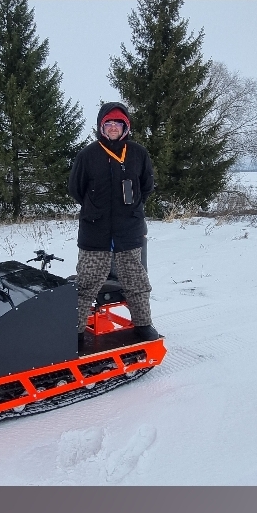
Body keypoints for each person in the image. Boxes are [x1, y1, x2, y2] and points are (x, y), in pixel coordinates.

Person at [68, 102, 159, 341]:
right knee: (86, 284)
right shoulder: (88, 155)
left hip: (128, 231)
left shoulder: (138, 153)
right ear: (101, 126)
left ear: (125, 126)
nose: (113, 127)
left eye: (118, 123)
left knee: (136, 281)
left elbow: (147, 186)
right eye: (108, 123)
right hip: (94, 231)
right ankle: (75, 332)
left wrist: (130, 209)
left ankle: (143, 324)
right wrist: (95, 208)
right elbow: (76, 189)